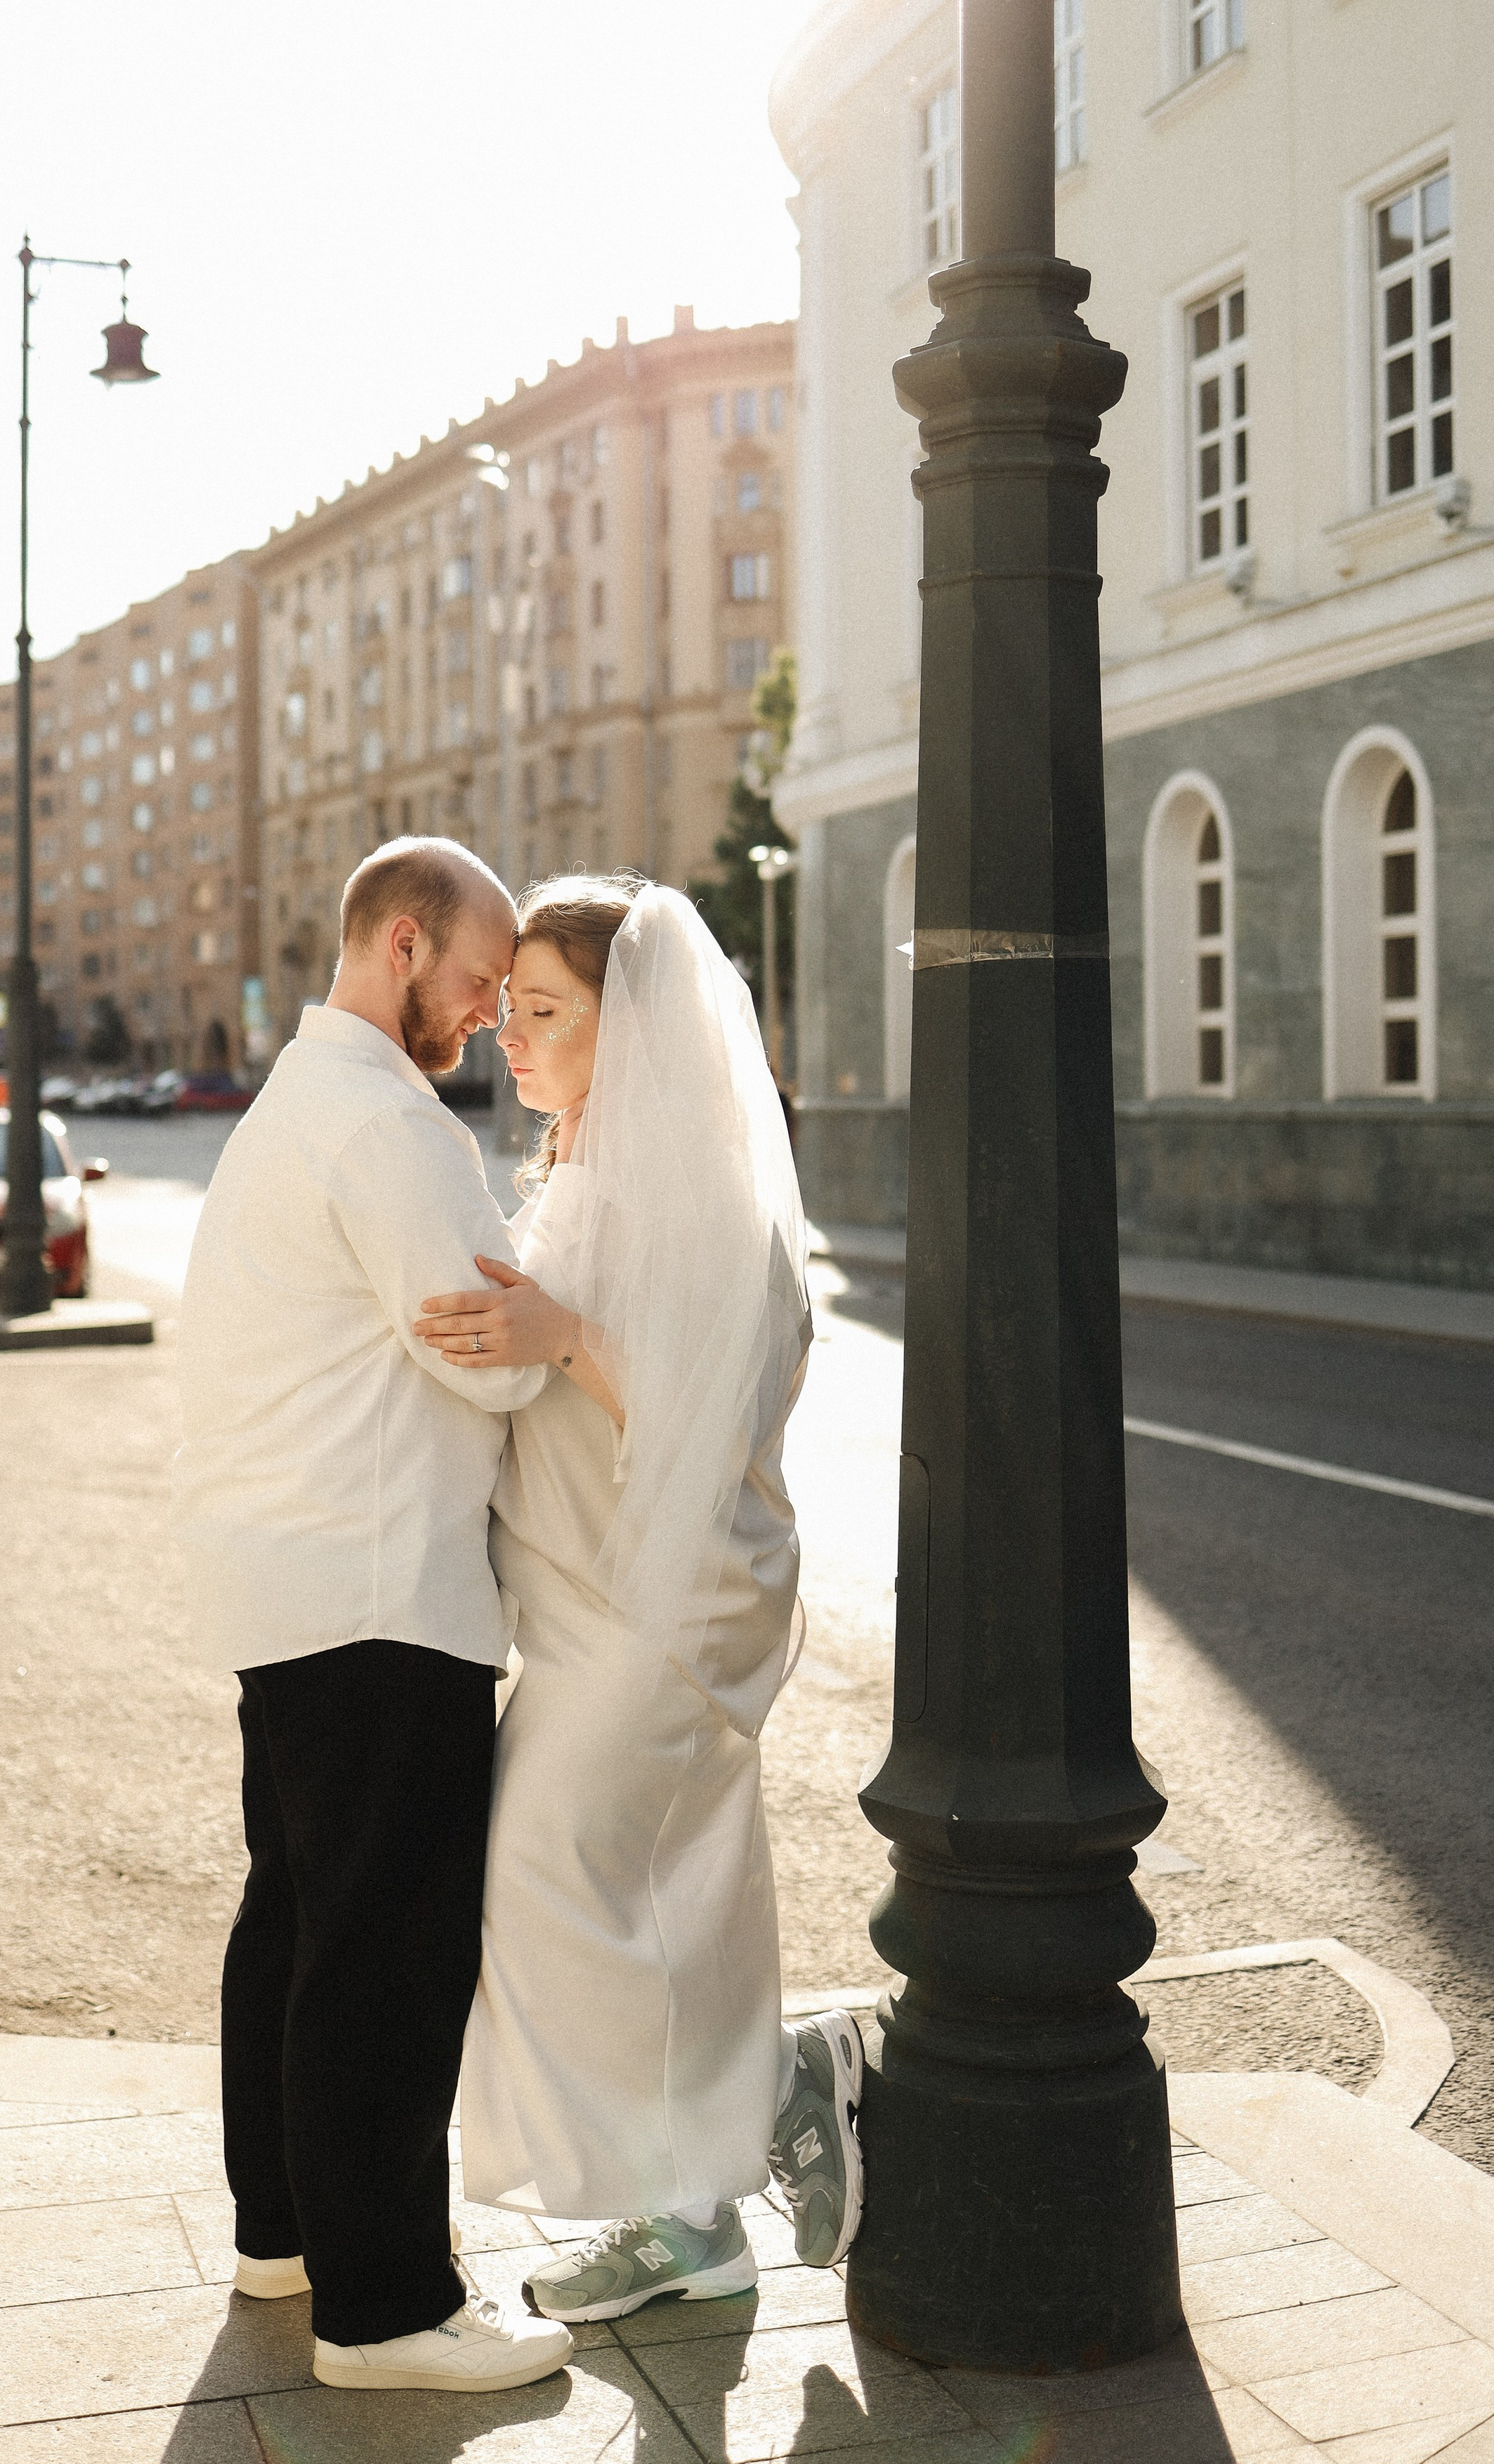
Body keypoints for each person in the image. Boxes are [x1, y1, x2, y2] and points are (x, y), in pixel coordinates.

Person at [413, 876, 865, 2326]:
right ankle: (698, 2212)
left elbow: (720, 1413)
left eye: (545, 1013)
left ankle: (764, 2096)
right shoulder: (581, 1174)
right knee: (670, 1892)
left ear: (640, 1027)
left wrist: (562, 1335)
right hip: (584, 1598)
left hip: (666, 1607)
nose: (511, 1038)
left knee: (539, 1872)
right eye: (511, 1010)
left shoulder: (707, 1195)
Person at [173, 838, 573, 2394]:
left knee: (296, 1919)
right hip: (383, 1589)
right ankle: (388, 2309)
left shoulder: (291, 1106)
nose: (486, 1015)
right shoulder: (393, 1127)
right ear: (402, 945)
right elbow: (494, 1363)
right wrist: (556, 1331)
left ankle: (285, 2234)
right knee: (388, 1953)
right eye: (476, 981)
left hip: (289, 1580)